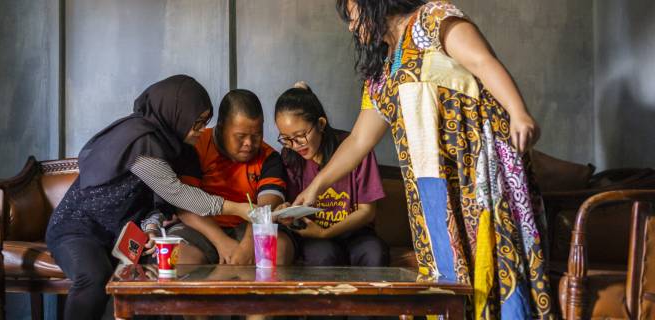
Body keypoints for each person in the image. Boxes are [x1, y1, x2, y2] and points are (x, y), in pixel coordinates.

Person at [292, 1, 553, 318]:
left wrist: (518, 112)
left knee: (495, 263)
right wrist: (318, 184)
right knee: (448, 275)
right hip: (432, 190)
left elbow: (483, 61)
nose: (350, 26)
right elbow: (360, 139)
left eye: (352, 15)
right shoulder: (381, 73)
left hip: (478, 173)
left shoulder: (432, 18)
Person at [45, 75, 252, 319]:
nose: (199, 131)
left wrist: (151, 228)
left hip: (118, 234)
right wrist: (238, 209)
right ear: (175, 113)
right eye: (196, 123)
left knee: (154, 275)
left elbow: (155, 203)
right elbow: (175, 192)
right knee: (93, 277)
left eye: (204, 122)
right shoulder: (140, 140)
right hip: (78, 229)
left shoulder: (171, 146)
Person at [144, 89, 295, 265]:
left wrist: (248, 245)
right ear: (221, 127)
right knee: (176, 259)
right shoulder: (196, 145)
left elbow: (266, 205)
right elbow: (184, 204)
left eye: (256, 135)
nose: (249, 143)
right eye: (240, 136)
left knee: (281, 249)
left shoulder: (269, 156)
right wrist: (221, 242)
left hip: (249, 229)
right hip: (201, 226)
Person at [275, 82, 388, 267]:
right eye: (286, 139)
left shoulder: (355, 150)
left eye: (300, 136)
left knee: (374, 253)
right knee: (323, 256)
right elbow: (293, 207)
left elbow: (367, 211)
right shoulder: (289, 157)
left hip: (355, 232)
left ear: (320, 124)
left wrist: (327, 232)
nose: (295, 145)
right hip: (313, 234)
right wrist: (285, 210)